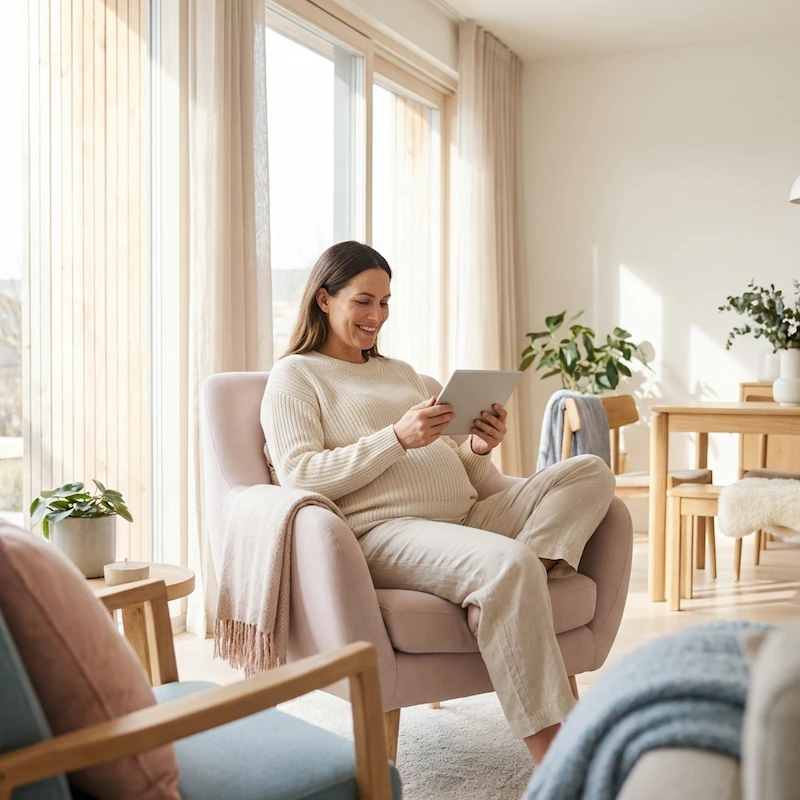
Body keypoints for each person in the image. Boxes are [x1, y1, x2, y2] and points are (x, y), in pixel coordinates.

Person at [262, 240, 616, 764]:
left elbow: (458, 470)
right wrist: (395, 437)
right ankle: (556, 759)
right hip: (386, 531)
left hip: (467, 517)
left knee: (590, 471)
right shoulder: (295, 375)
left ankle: (516, 580)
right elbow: (299, 475)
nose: (376, 316)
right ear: (323, 299)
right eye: (364, 301)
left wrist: (476, 446)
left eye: (384, 303)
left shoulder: (401, 372)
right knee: (508, 564)